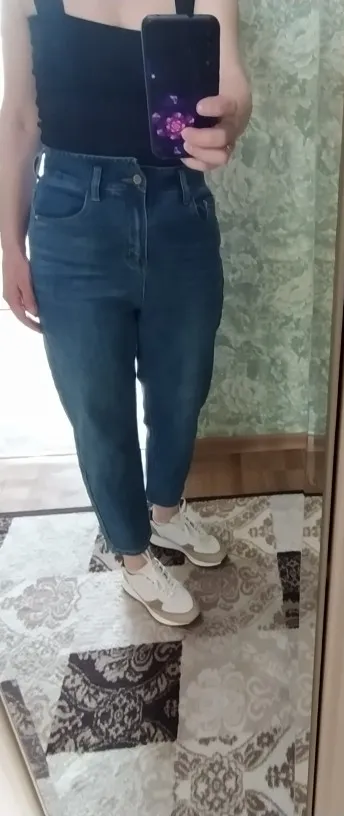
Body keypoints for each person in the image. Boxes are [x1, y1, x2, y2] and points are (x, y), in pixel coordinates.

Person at [0, 0, 252, 626]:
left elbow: (234, 86)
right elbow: (20, 117)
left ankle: (164, 512)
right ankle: (134, 556)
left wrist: (229, 120)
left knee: (182, 390)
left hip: (179, 209)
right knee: (98, 409)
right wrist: (10, 246)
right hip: (70, 220)